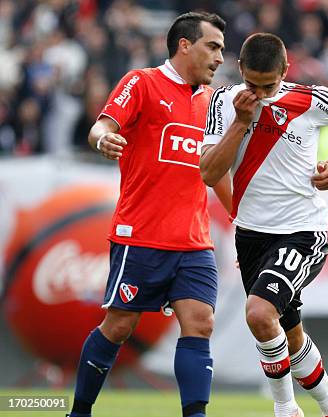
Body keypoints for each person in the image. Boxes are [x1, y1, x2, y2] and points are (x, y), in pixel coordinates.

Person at [67, 12, 229, 417]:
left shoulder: (213, 102)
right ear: (185, 45)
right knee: (120, 326)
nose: (220, 58)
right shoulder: (141, 82)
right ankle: (80, 411)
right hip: (140, 235)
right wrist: (104, 140)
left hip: (194, 240)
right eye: (213, 47)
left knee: (201, 323)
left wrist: (241, 222)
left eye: (223, 49)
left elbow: (216, 172)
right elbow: (100, 127)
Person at [199, 33, 328, 417]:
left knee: (259, 314)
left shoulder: (312, 99)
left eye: (269, 86)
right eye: (252, 84)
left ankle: (285, 408)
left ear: (286, 71)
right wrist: (241, 123)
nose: (259, 94)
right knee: (289, 333)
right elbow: (209, 173)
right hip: (252, 235)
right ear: (240, 69)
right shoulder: (224, 102)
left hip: (302, 231)